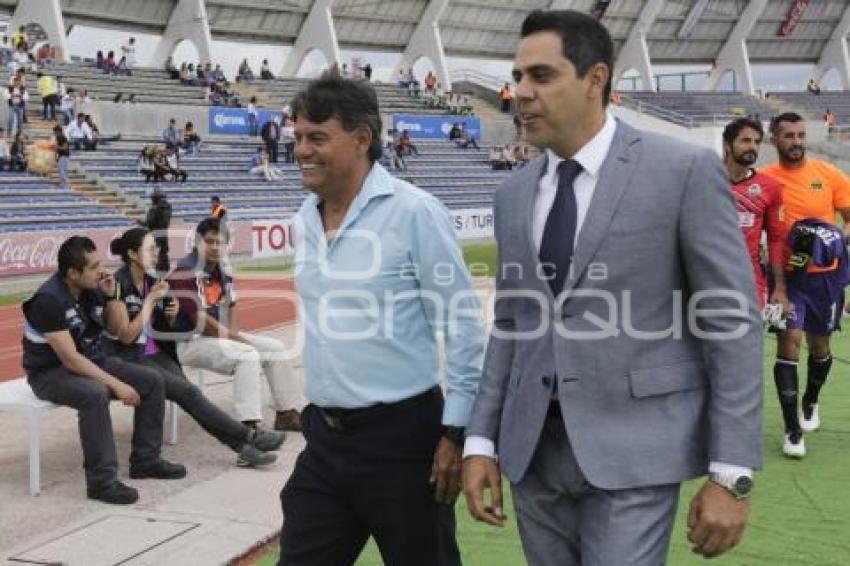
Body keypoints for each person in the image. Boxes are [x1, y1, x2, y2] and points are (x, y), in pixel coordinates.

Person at [462, 10, 762, 564]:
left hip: (636, 450)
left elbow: (732, 324)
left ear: (595, 79)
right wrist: (480, 440)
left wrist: (733, 473)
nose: (521, 92)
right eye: (518, 76)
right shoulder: (514, 193)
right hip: (533, 453)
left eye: (541, 76)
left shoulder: (683, 172)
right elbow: (511, 323)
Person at [277, 73, 483, 566]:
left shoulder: (414, 212)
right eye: (299, 137)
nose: (302, 149)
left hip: (405, 444)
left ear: (362, 138)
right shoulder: (303, 219)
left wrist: (456, 432)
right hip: (324, 442)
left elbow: (462, 326)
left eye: (318, 138)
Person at [21, 236, 186, 505]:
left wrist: (112, 296)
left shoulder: (92, 289)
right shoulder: (47, 300)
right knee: (94, 395)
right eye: (94, 266)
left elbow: (113, 330)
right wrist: (117, 385)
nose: (102, 270)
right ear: (73, 273)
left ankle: (146, 461)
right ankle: (102, 482)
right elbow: (71, 361)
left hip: (92, 358)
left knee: (153, 381)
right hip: (50, 372)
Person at [106, 228, 285, 468]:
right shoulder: (118, 285)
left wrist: (169, 315)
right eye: (150, 248)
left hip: (154, 353)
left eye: (156, 248)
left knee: (189, 393)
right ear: (132, 254)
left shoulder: (152, 280)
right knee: (188, 393)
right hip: (127, 357)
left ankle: (245, 447)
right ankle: (248, 439)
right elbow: (126, 336)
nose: (156, 252)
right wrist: (151, 302)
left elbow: (158, 325)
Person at [761, 112, 850, 458]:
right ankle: (792, 430)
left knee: (820, 347)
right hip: (785, 278)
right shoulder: (767, 180)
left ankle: (810, 401)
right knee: (790, 342)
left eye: (800, 135)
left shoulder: (827, 175)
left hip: (826, 278)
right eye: (788, 136)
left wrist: (834, 239)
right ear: (775, 139)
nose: (796, 142)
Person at [166, 218, 303, 431]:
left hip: (215, 337)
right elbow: (200, 321)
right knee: (246, 355)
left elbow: (231, 306)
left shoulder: (222, 270)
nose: (214, 247)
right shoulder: (185, 272)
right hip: (188, 342)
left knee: (274, 348)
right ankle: (248, 428)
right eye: (208, 241)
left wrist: (235, 335)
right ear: (197, 242)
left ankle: (286, 413)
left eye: (219, 243)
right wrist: (235, 340)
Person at [722, 117, 786, 311]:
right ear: (727, 145)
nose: (753, 147)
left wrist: (780, 289)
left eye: (757, 142)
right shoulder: (703, 178)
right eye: (745, 141)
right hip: (706, 277)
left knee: (748, 339)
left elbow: (776, 239)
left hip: (749, 280)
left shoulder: (770, 187)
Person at [145, 188, 172, 273]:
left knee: (156, 251)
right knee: (163, 251)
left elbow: (149, 222)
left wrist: (141, 222)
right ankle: (165, 268)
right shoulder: (168, 207)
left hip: (155, 233)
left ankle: (158, 269)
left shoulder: (154, 209)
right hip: (163, 232)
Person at [54, 125, 70, 190]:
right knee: (63, 170)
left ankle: (66, 183)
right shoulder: (58, 138)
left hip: (64, 156)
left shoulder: (63, 137)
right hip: (62, 156)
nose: (55, 133)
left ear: (58, 131)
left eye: (55, 132)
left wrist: (57, 147)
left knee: (62, 170)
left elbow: (65, 147)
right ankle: (63, 183)